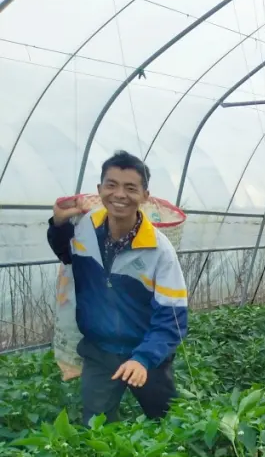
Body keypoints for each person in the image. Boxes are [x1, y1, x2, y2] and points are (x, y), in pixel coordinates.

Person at [46, 151, 188, 425]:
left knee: (168, 422)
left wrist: (143, 359)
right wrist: (59, 224)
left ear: (145, 196)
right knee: (96, 426)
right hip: (99, 350)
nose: (119, 194)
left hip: (146, 354)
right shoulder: (85, 227)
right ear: (100, 189)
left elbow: (173, 317)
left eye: (130, 188)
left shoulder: (159, 250)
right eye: (111, 185)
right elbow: (67, 254)